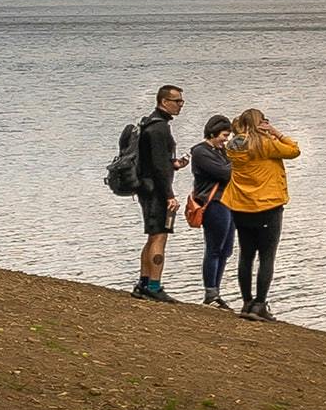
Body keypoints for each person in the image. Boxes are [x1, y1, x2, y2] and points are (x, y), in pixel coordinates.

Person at [214, 106, 301, 323]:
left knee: (246, 255)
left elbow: (241, 138)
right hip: (267, 205)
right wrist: (274, 131)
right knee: (267, 256)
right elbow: (294, 150)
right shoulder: (266, 144)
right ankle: (260, 304)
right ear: (260, 122)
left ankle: (246, 301)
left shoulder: (233, 145)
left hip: (241, 205)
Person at [129, 84, 183, 301]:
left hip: (146, 187)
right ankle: (154, 285)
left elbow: (156, 161)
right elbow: (159, 168)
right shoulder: (160, 128)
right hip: (156, 190)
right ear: (164, 102)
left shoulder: (148, 123)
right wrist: (170, 195)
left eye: (182, 101)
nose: (180, 105)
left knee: (152, 236)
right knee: (160, 236)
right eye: (177, 101)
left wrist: (174, 164)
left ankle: (143, 283)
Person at [188, 115, 238, 308]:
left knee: (226, 249)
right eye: (224, 135)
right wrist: (236, 164)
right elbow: (226, 173)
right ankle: (210, 292)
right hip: (214, 203)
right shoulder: (201, 152)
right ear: (213, 132)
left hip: (229, 202)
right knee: (214, 248)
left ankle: (216, 291)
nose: (226, 139)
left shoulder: (220, 151)